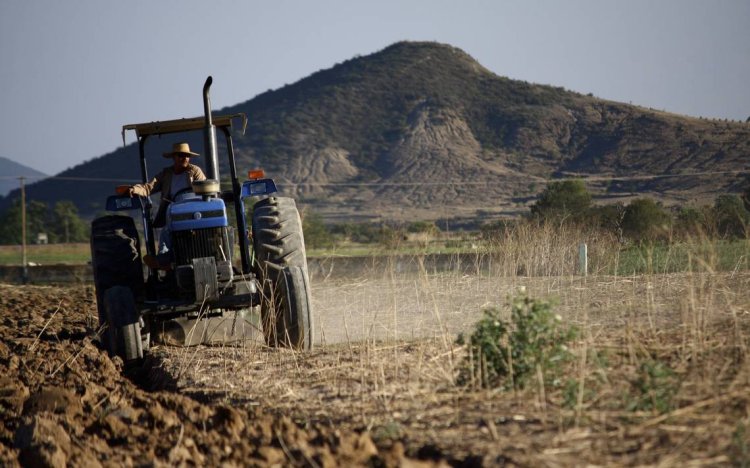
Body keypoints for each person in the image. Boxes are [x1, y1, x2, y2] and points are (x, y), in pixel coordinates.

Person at [125, 142, 206, 269]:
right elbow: (148, 188)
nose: (184, 158)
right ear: (174, 157)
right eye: (181, 155)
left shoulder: (195, 171)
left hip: (194, 212)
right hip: (175, 212)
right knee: (167, 232)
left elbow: (204, 188)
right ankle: (163, 261)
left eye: (186, 156)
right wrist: (134, 189)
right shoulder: (166, 174)